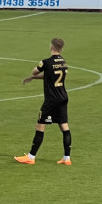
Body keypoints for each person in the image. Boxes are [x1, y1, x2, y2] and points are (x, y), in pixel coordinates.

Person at [15, 37, 72, 166]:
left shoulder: (46, 62)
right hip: (63, 97)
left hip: (51, 100)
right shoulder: (64, 62)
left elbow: (35, 71)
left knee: (40, 126)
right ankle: (67, 158)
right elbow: (51, 76)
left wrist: (33, 75)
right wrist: (34, 78)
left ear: (51, 47)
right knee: (64, 126)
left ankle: (31, 157)